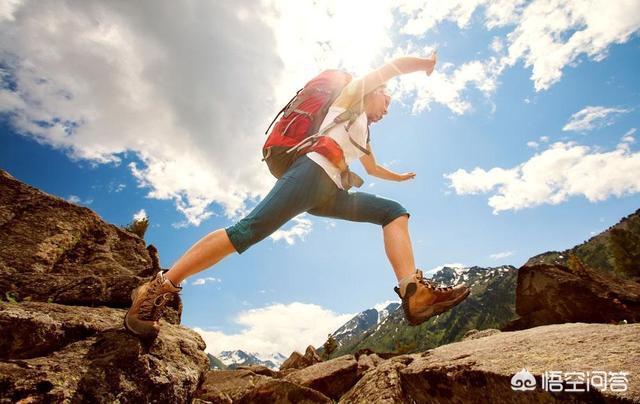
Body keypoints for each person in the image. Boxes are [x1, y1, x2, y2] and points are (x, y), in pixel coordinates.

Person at [124, 53, 470, 339]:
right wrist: (424, 62)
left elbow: (373, 168)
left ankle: (414, 294)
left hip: (329, 192)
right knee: (247, 231)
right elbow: (391, 67)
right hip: (310, 174)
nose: (388, 109)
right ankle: (158, 287)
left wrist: (402, 176)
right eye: (387, 99)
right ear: (374, 90)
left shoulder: (361, 130)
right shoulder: (350, 96)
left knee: (393, 211)